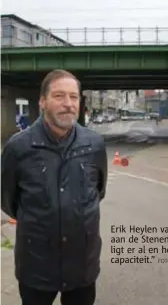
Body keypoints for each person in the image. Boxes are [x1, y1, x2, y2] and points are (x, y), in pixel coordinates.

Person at [1, 69, 108, 305]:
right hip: (36, 267)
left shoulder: (95, 144)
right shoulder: (18, 148)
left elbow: (98, 192)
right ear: (42, 101)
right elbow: (9, 201)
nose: (68, 104)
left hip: (82, 266)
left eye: (74, 97)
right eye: (59, 96)